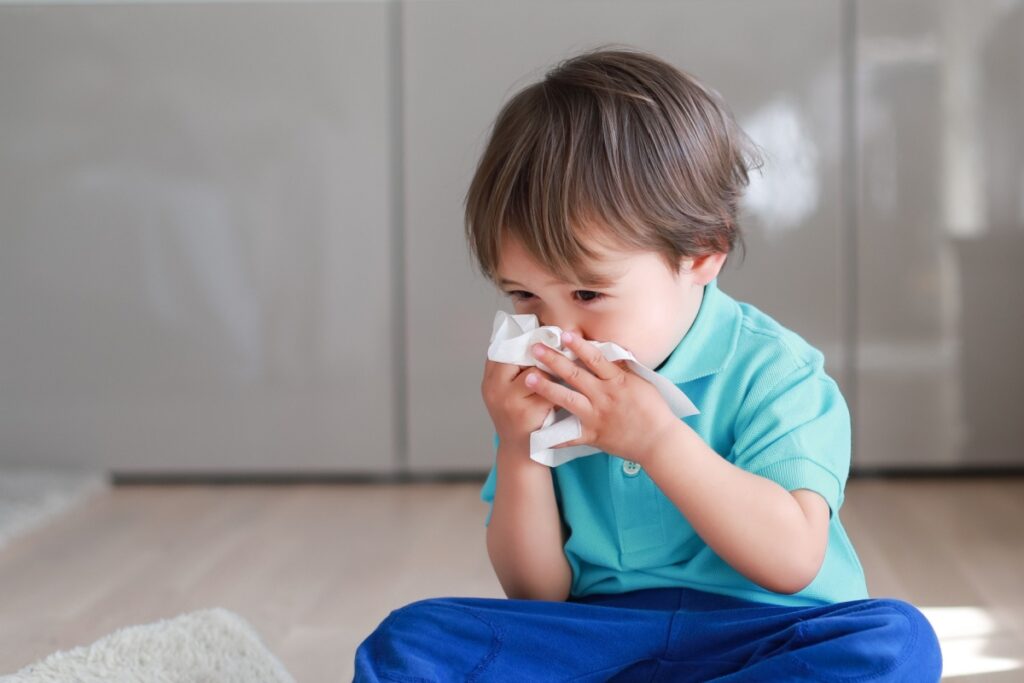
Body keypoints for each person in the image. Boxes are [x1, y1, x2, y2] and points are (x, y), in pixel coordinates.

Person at [353, 45, 942, 681]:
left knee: (897, 640)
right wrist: (519, 447)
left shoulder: (775, 373)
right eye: (523, 294)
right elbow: (536, 595)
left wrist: (657, 438)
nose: (556, 328)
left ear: (702, 254)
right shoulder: (545, 387)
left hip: (762, 634)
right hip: (600, 641)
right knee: (412, 640)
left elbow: (793, 558)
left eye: (587, 294)